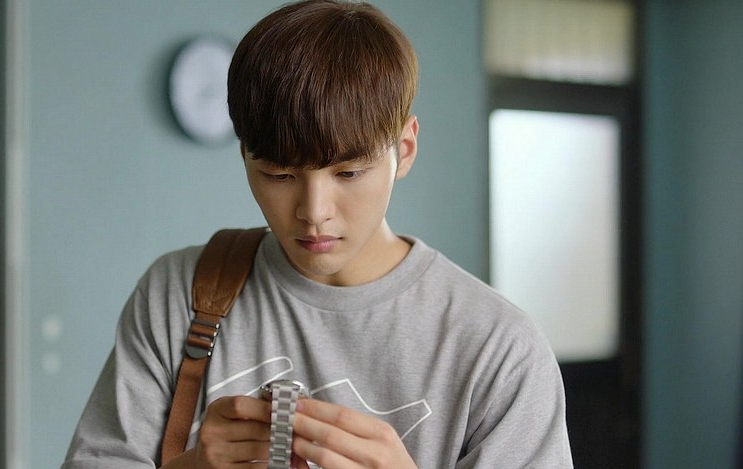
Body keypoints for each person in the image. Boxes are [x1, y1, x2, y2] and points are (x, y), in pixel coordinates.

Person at [62, 1, 573, 468]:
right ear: (244, 157)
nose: (314, 213)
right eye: (279, 175)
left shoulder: (499, 349)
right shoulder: (180, 292)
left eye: (348, 173)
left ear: (404, 151)